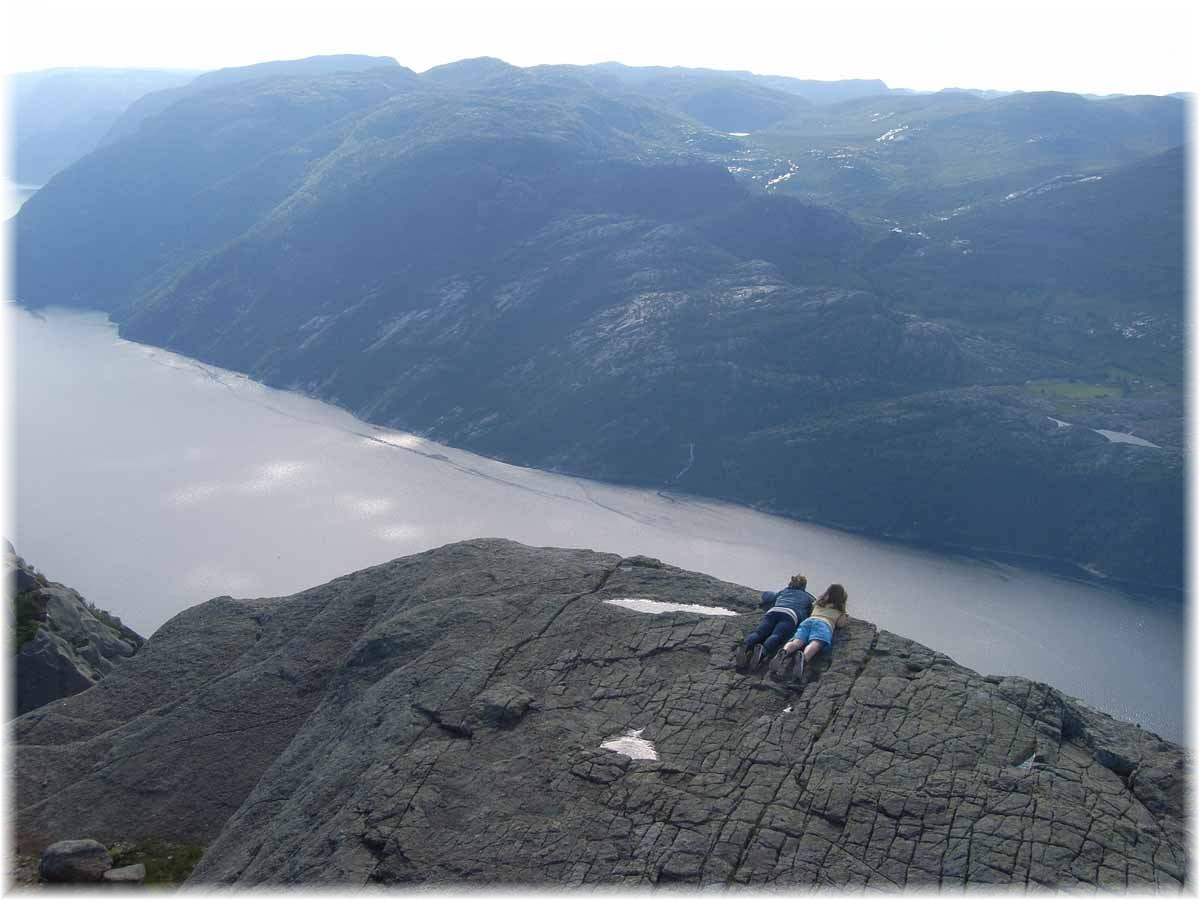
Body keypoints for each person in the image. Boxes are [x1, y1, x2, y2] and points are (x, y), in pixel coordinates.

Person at [735, 574, 815, 672]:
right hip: (790, 615)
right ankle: (762, 651)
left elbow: (767, 596)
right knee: (776, 635)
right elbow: (816, 605)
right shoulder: (808, 597)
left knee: (759, 633)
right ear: (804, 586)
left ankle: (746, 645)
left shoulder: (784, 591)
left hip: (773, 611)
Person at [771, 584, 849, 682]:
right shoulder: (839, 610)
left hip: (809, 621)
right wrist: (845, 615)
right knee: (816, 643)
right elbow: (840, 624)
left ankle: (784, 651)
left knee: (797, 641)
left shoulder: (818, 603)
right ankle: (804, 658)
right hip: (824, 624)